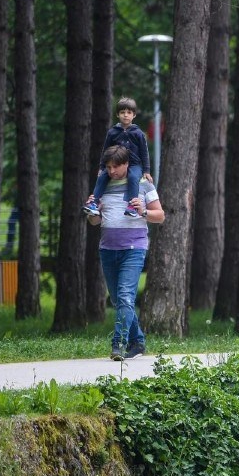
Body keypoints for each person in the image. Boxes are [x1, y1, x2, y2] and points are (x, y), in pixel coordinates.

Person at [86, 145, 165, 360]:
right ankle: (138, 342)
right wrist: (93, 211)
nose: (111, 171)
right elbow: (94, 221)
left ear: (127, 164)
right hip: (108, 249)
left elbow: (160, 215)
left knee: (125, 297)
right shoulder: (102, 184)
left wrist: (144, 211)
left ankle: (118, 345)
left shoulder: (143, 185)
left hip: (134, 248)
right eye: (108, 167)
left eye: (116, 167)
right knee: (118, 300)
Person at [83, 96, 152, 219]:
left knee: (133, 177)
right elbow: (105, 150)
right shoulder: (112, 132)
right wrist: (102, 167)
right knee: (103, 176)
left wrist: (146, 171)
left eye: (129, 112)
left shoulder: (138, 133)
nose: (126, 115)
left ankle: (132, 205)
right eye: (122, 112)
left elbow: (144, 152)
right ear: (117, 114)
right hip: (115, 164)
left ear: (134, 115)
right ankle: (94, 202)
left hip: (135, 164)